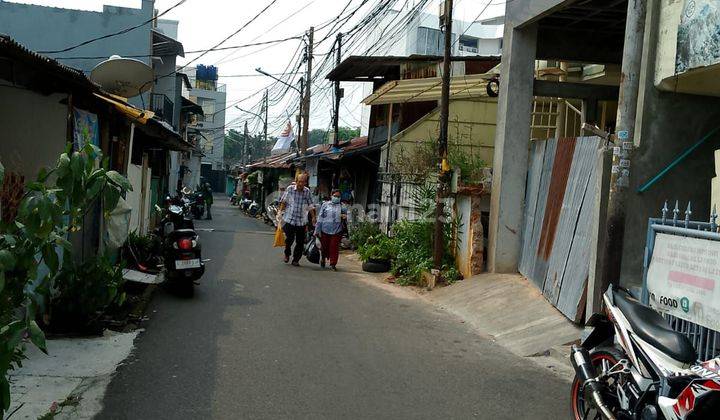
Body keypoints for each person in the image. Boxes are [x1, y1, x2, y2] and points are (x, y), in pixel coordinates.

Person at [279, 172, 313, 266]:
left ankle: (296, 260)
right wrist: (280, 212)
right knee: (289, 239)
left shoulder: (307, 191)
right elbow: (284, 201)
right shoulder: (290, 189)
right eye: (299, 182)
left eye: (303, 182)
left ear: (305, 183)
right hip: (289, 218)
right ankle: (287, 253)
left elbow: (310, 205)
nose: (301, 184)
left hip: (301, 221)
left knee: (300, 242)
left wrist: (313, 217)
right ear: (296, 181)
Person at [314, 189, 346, 271]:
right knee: (324, 247)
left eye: (338, 196)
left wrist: (344, 216)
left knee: (334, 247)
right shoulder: (325, 205)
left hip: (337, 230)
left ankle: (333, 264)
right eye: (335, 196)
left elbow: (347, 217)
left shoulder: (343, 206)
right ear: (331, 196)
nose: (337, 198)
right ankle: (323, 258)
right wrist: (317, 230)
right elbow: (320, 217)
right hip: (325, 229)